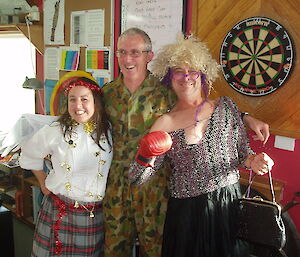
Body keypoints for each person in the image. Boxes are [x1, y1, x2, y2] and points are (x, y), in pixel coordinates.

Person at [102, 27, 271, 257]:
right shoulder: (111, 95)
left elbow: (238, 146)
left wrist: (249, 127)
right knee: (117, 248)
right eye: (122, 51)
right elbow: (136, 173)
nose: (186, 76)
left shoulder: (210, 103)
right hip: (154, 196)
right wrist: (146, 153)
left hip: (202, 199)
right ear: (170, 77)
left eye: (135, 52)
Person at [19, 76, 113, 257]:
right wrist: (42, 181)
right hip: (58, 210)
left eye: (84, 99)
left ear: (96, 102)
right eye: (72, 99)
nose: (78, 105)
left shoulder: (108, 131)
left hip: (92, 215)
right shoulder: (55, 130)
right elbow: (30, 154)